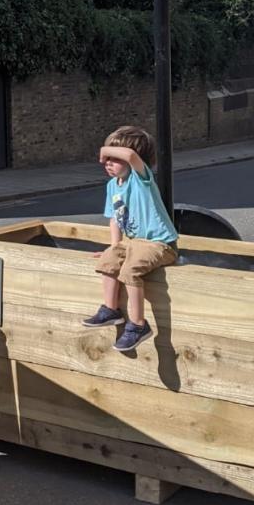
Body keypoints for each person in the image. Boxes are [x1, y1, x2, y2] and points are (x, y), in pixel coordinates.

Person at [82, 125, 179, 352]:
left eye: (112, 158)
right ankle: (110, 309)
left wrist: (104, 148)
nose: (106, 162)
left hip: (159, 243)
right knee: (107, 262)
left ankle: (138, 325)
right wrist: (113, 248)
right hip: (132, 242)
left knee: (130, 269)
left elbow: (130, 155)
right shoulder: (112, 186)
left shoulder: (140, 178)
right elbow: (115, 219)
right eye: (105, 159)